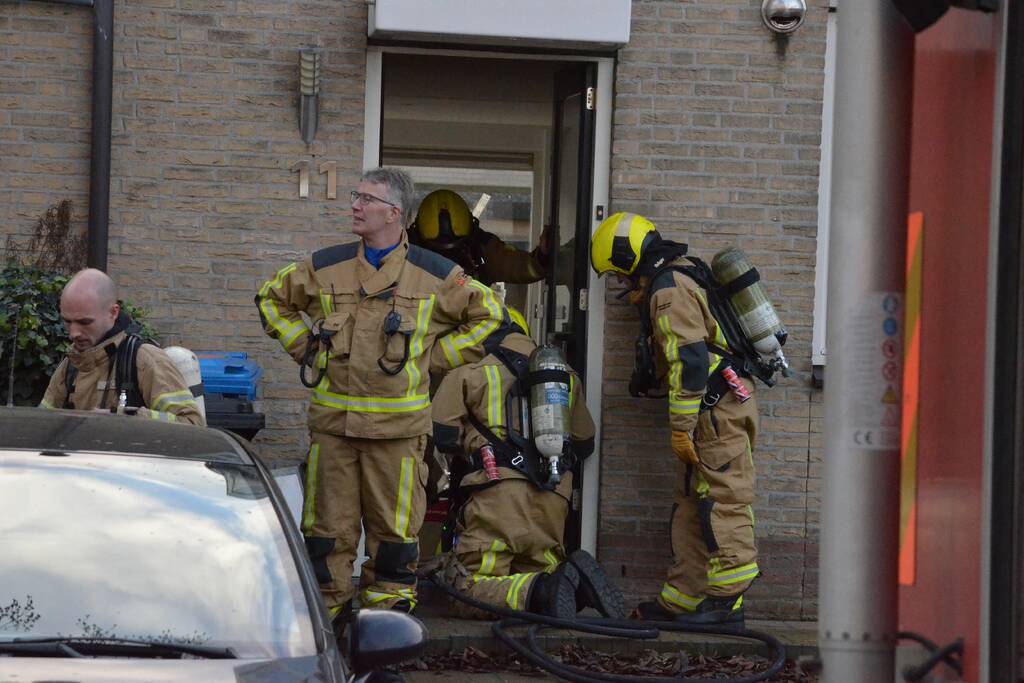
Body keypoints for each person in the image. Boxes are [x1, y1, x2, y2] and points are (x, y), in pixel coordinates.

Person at [255, 167, 509, 623]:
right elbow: (271, 299)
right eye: (355, 196)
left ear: (394, 213)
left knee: (393, 543)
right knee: (324, 537)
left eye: (365, 199)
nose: (354, 205)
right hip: (333, 433)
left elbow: (491, 316)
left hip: (397, 437)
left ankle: (385, 638)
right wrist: (307, 348)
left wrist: (432, 357)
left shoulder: (434, 274)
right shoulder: (326, 265)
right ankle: (326, 633)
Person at [590, 212, 760, 628]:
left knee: (723, 497)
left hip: (714, 412)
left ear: (627, 256)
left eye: (617, 272)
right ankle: (684, 596)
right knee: (691, 502)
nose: (619, 283)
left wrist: (682, 426)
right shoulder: (675, 278)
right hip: (710, 410)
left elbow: (688, 360)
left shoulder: (668, 289)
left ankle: (728, 600)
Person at [430, 309, 624, 620]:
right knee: (541, 578)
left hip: (496, 498)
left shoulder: (470, 371)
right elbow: (585, 442)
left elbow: (442, 435)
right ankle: (570, 588)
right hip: (552, 499)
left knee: (467, 589)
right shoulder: (563, 378)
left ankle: (544, 591)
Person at [39, 268, 204, 425]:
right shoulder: (71, 366)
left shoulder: (146, 360)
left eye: (85, 322)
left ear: (113, 312)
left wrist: (122, 419)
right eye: (67, 321)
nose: (73, 333)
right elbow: (42, 425)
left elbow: (192, 425)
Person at [410, 189, 547, 287]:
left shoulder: (482, 247)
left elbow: (517, 266)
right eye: (436, 251)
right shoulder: (403, 248)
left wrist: (543, 257)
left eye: (455, 249)